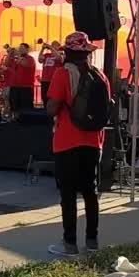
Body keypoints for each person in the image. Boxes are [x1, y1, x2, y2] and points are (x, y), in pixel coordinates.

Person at [45, 32, 109, 257]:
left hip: (67, 142)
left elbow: (52, 108)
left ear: (68, 52)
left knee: (69, 195)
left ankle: (69, 243)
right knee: (90, 192)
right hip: (94, 142)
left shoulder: (63, 74)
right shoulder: (100, 76)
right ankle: (92, 241)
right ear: (88, 53)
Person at [10, 43, 37, 116]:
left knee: (26, 108)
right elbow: (7, 64)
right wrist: (10, 54)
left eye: (22, 48)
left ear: (27, 50)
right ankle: (15, 121)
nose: (20, 50)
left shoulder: (30, 59)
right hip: (15, 86)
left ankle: (27, 123)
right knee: (15, 107)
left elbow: (25, 64)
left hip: (26, 87)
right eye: (19, 48)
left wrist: (18, 55)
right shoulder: (16, 59)